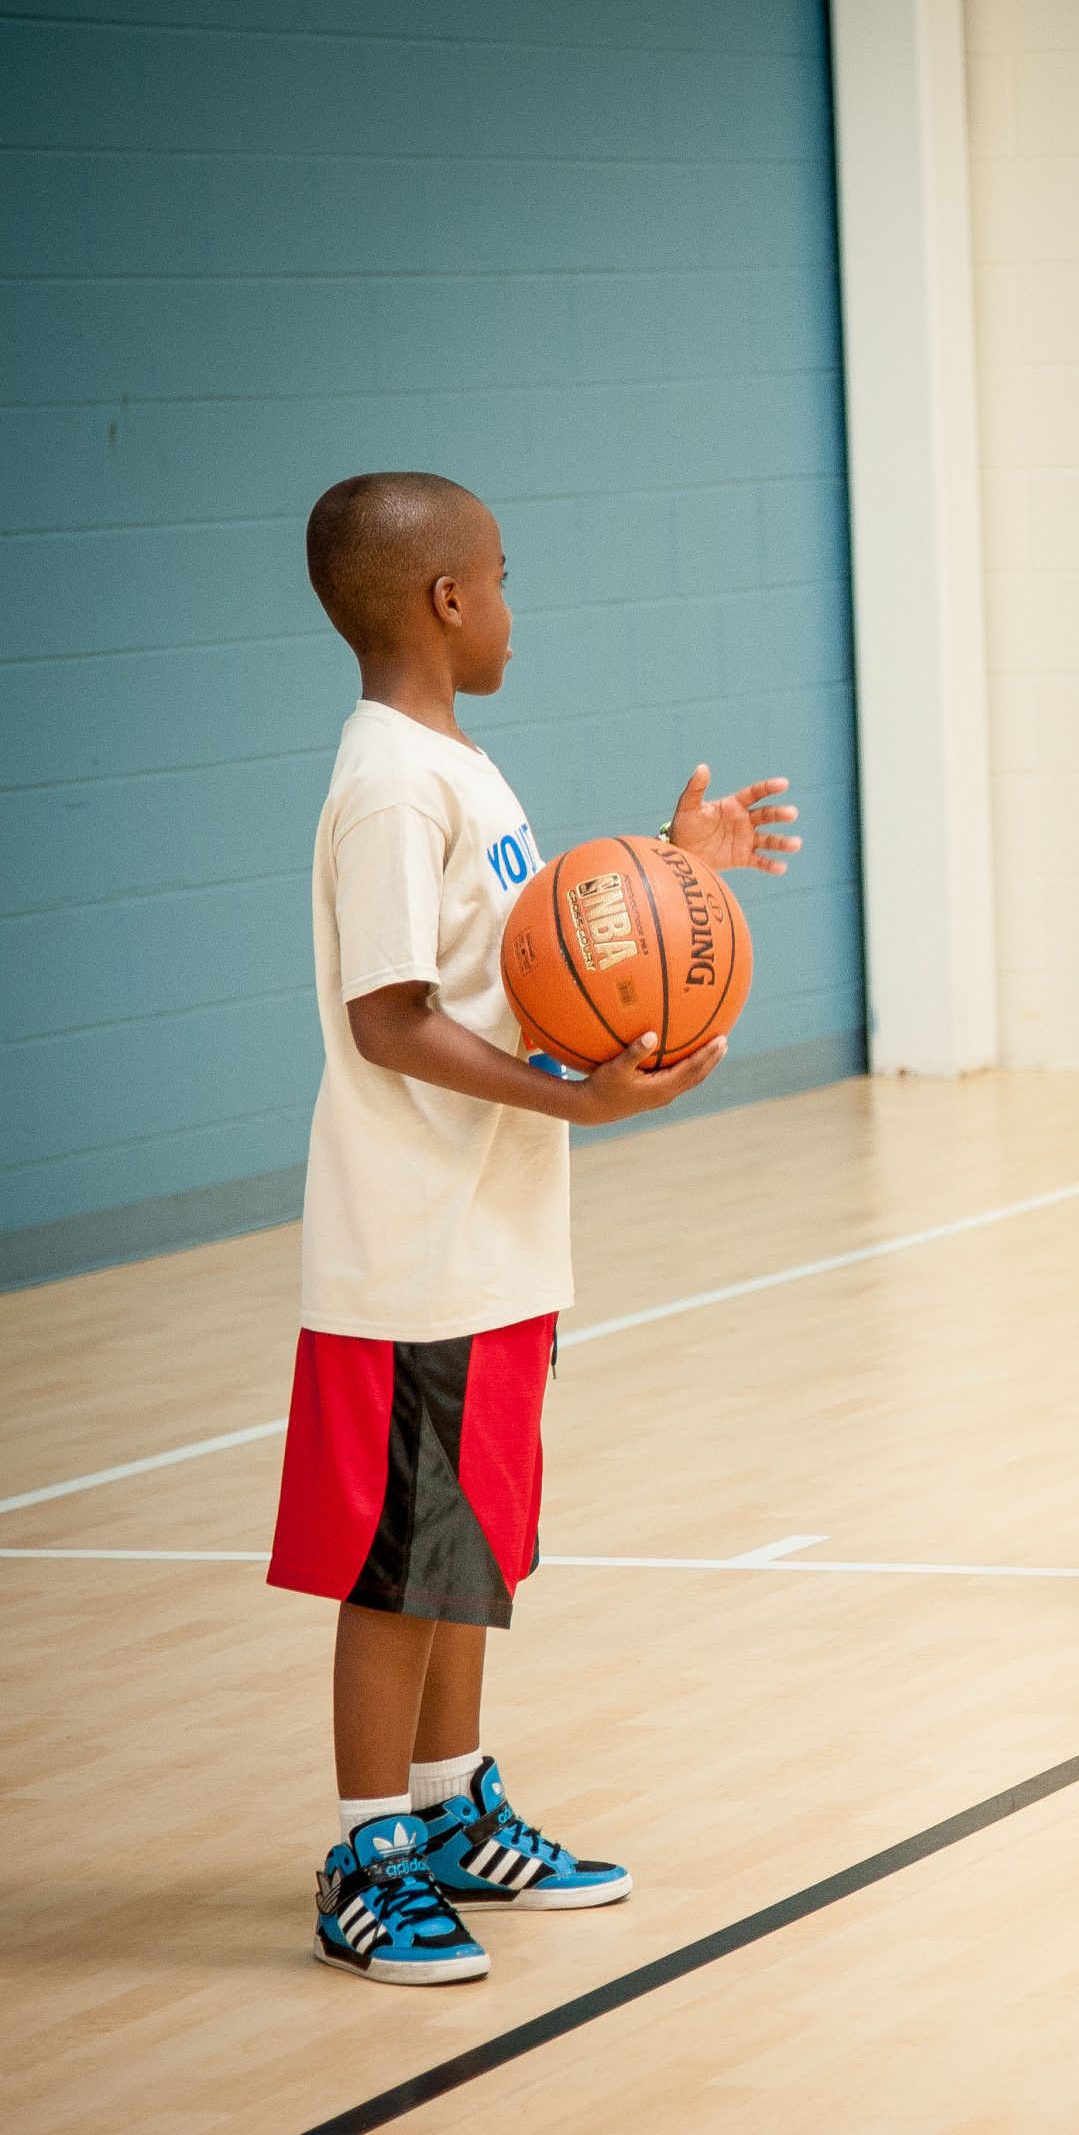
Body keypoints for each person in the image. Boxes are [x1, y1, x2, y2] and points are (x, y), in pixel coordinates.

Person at [271, 471, 801, 1982]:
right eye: (500, 575)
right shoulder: (387, 780)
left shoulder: (457, 768)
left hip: (493, 1237)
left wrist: (671, 859)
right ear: (447, 601)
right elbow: (390, 1018)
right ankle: (366, 1848)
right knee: (400, 1567)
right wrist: (580, 1107)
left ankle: (451, 1807)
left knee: (470, 1546)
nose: (514, 602)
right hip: (408, 1244)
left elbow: (542, 963)